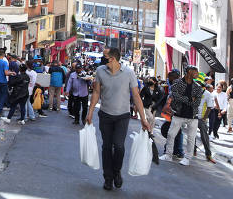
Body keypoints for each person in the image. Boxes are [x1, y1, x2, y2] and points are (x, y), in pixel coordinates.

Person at [86, 47, 150, 191]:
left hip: (122, 116)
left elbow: (136, 96)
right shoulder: (101, 71)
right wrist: (90, 112)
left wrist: (143, 119)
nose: (102, 60)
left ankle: (117, 171)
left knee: (119, 146)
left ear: (113, 59)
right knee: (107, 147)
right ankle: (108, 178)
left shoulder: (129, 73)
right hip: (105, 115)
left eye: (105, 57)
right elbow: (96, 92)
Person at [159, 66, 204, 166]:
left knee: (191, 138)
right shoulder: (177, 83)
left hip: (193, 115)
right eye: (195, 71)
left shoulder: (198, 87)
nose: (197, 73)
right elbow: (175, 96)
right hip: (179, 113)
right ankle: (168, 155)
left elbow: (196, 103)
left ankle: (187, 158)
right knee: (171, 134)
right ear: (188, 72)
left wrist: (184, 99)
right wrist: (189, 99)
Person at [194, 83, 216, 163]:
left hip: (201, 119)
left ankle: (208, 155)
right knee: (192, 136)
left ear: (203, 87)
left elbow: (209, 107)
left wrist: (204, 118)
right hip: (193, 118)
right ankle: (194, 150)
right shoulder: (194, 92)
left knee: (204, 138)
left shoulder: (208, 94)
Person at [0, 48, 14, 116]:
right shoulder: (4, 62)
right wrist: (12, 73)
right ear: (3, 55)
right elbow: (6, 73)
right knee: (3, 95)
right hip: (2, 81)